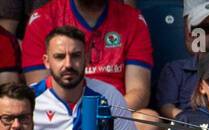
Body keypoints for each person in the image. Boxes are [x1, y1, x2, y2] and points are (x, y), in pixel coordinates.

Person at [21, 0, 153, 109]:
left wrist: (102, 117)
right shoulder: (43, 19)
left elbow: (138, 92)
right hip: (58, 114)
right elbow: (41, 92)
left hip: (115, 111)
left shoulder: (133, 19)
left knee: (149, 123)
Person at [31, 26, 139, 130]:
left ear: (87, 59)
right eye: (59, 57)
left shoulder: (109, 96)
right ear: (47, 61)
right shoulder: (29, 99)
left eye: (76, 56)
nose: (68, 64)